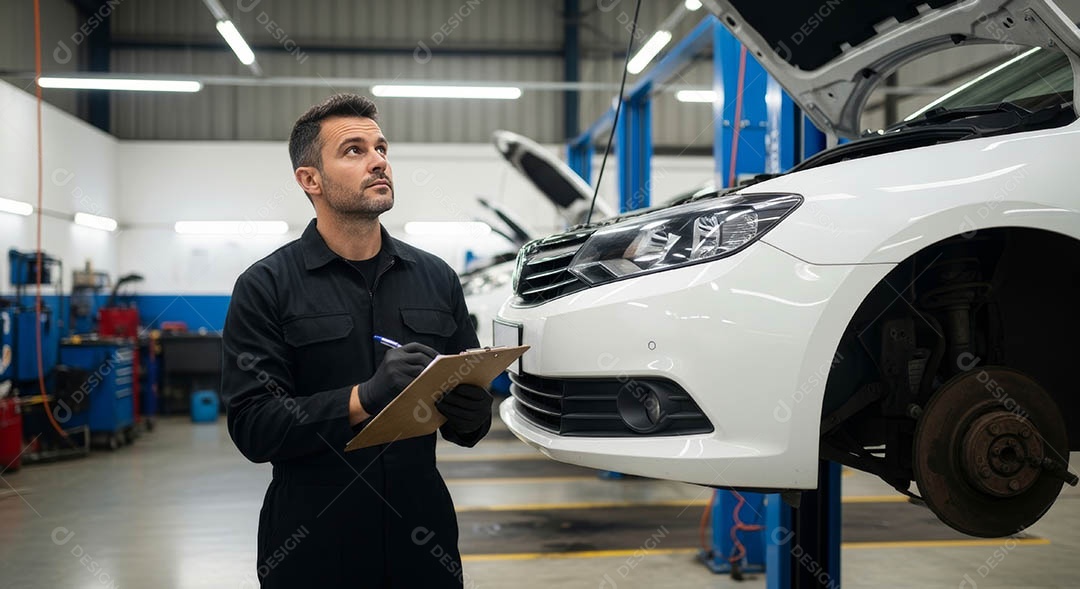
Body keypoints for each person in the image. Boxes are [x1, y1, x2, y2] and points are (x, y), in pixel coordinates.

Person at [222, 93, 492, 587]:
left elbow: (464, 403)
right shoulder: (266, 286)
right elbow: (252, 427)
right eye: (354, 150)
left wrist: (473, 416)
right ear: (311, 180)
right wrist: (360, 398)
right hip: (313, 546)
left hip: (423, 542)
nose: (378, 161)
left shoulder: (437, 278)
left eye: (381, 147)